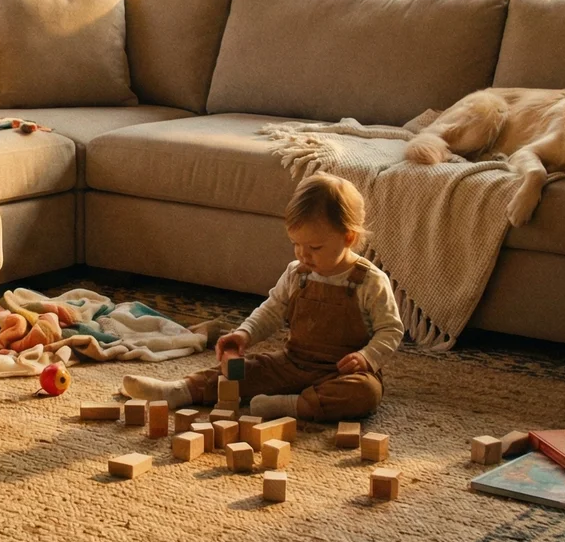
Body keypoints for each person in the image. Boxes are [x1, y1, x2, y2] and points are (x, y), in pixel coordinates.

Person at [121, 173, 403, 421]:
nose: (303, 255)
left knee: (365, 393)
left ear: (349, 237)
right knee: (244, 371)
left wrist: (367, 357)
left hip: (341, 373)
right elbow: (271, 310)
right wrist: (244, 334)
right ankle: (182, 390)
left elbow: (390, 330)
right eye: (296, 244)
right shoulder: (297, 273)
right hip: (293, 364)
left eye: (314, 247)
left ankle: (295, 406)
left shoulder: (369, 280)